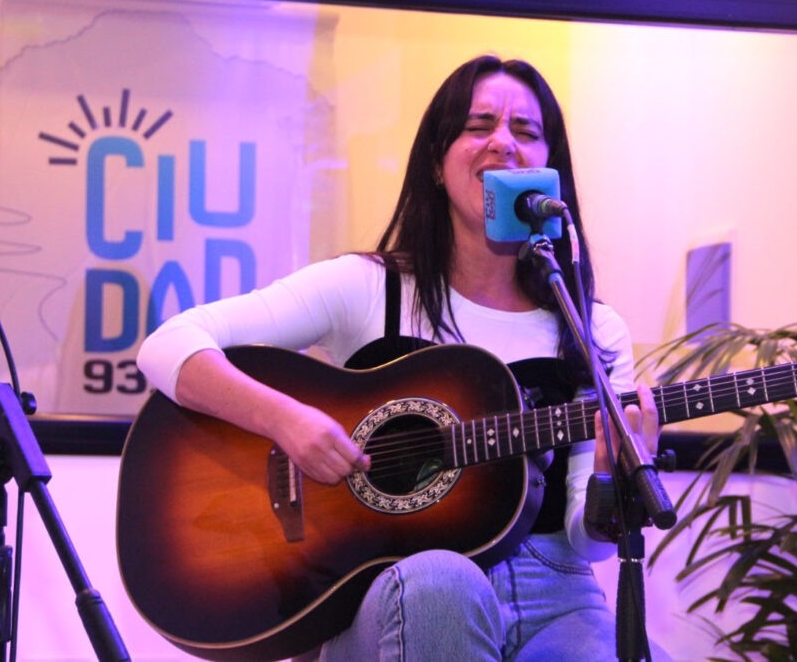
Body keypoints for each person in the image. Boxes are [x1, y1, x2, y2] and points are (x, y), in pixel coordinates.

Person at [136, 54, 662, 660]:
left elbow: (586, 540)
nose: (502, 143)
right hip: (399, 591)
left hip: (555, 594)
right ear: (437, 163)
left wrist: (606, 479)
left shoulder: (591, 326)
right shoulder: (365, 288)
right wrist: (287, 420)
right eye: (478, 125)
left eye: (526, 131)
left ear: (549, 169)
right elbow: (168, 344)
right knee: (444, 582)